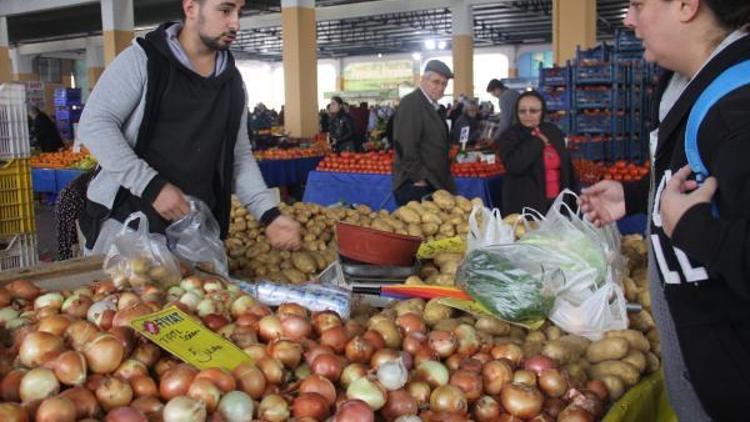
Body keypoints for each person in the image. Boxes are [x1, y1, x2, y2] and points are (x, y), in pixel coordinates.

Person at [579, 2, 750, 420]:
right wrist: (640, 197)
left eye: (638, 4)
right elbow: (709, 185)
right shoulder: (688, 88)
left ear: (687, 5)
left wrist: (694, 229)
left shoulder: (737, 111)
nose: (629, 19)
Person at [77, 0, 301, 254]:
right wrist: (151, 186)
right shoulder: (144, 61)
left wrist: (269, 214)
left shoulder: (232, 84)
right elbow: (95, 124)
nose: (235, 23)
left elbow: (238, 157)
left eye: (240, 12)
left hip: (194, 232)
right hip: (126, 226)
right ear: (191, 8)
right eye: (225, 10)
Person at [496, 91, 575, 215]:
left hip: (558, 203)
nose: (527, 115)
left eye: (533, 111)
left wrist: (572, 201)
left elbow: (566, 167)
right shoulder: (509, 136)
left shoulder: (553, 131)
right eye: (522, 111)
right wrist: (537, 142)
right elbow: (514, 165)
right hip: (526, 206)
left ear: (542, 112)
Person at [392, 59, 456, 205]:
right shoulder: (411, 104)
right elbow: (405, 145)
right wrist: (418, 178)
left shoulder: (434, 106)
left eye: (444, 84)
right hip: (418, 185)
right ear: (423, 80)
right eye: (436, 82)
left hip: (434, 182)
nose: (440, 87)